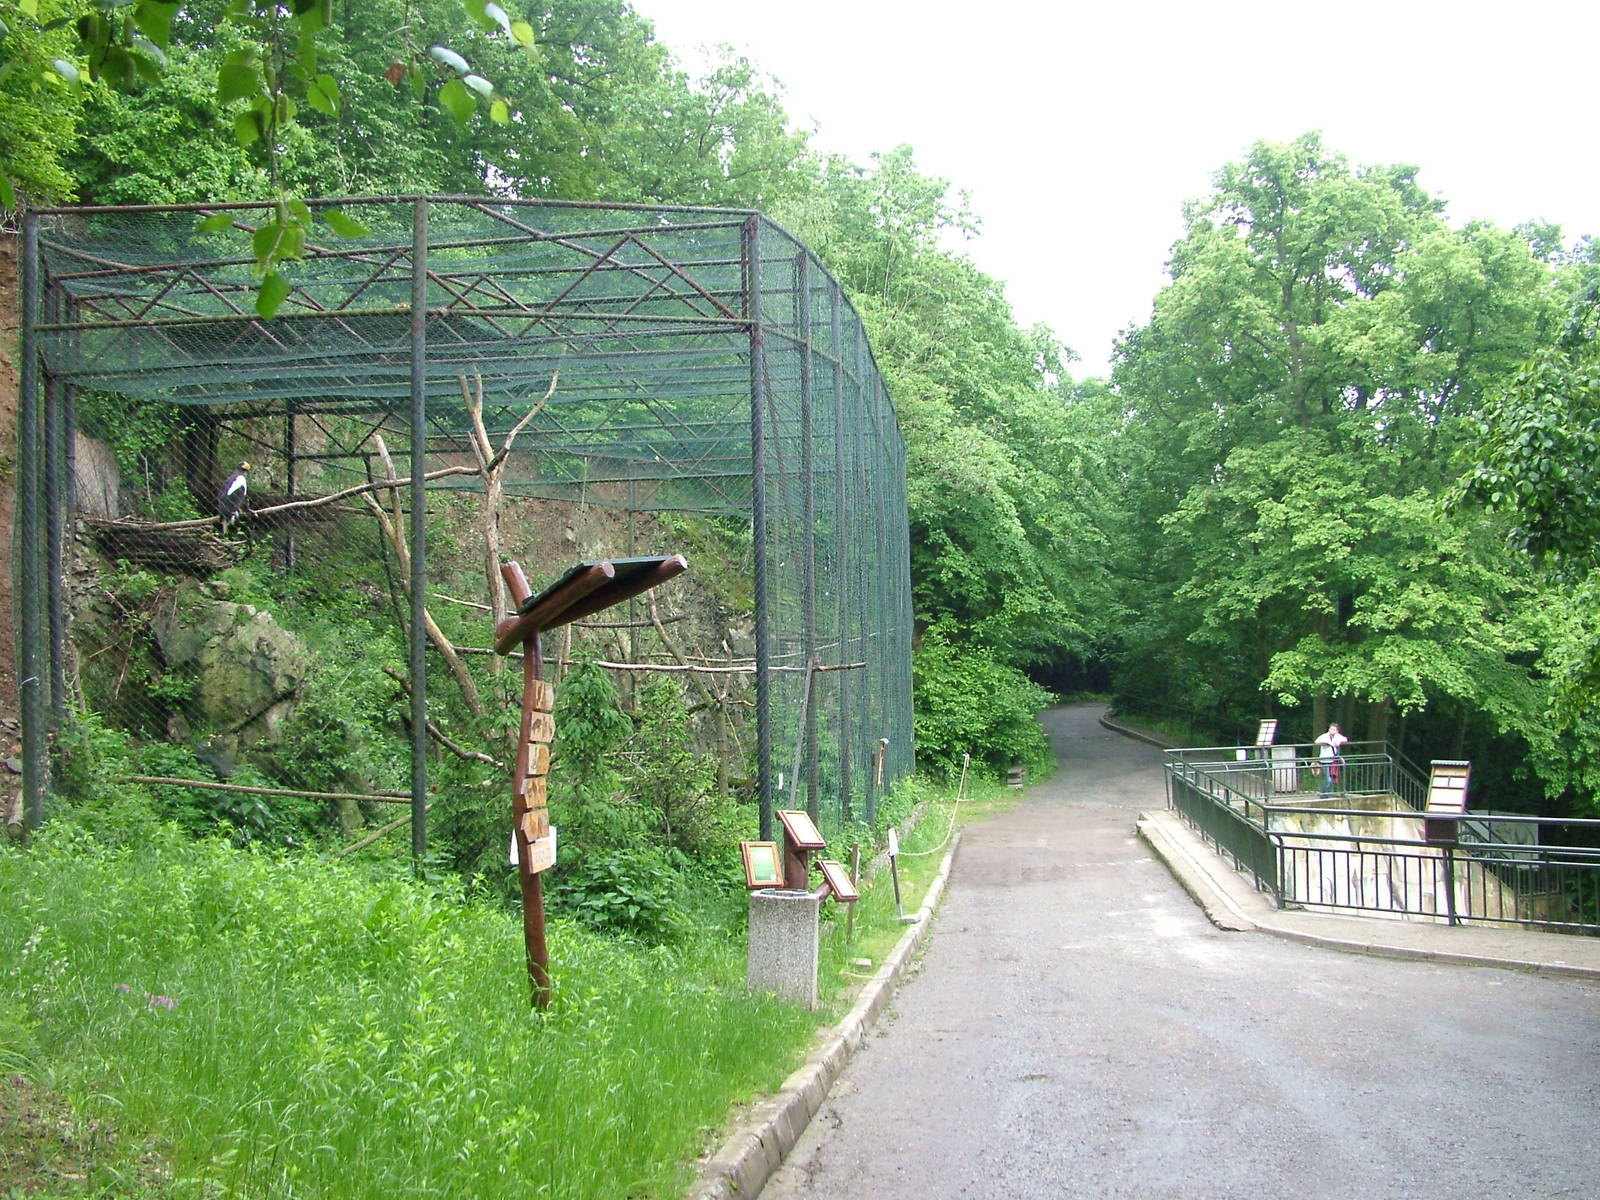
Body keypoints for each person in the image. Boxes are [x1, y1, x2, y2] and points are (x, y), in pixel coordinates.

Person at [1313, 722, 1348, 795]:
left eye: (1333, 729)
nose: (1331, 730)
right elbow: (1316, 741)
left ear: (1337, 731)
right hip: (1325, 760)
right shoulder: (1325, 736)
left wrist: (1339, 741)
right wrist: (1328, 742)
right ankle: (1324, 793)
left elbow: (1345, 739)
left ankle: (1326, 793)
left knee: (1332, 778)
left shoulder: (1337, 736)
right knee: (1328, 779)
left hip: (1333, 761)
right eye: (1330, 729)